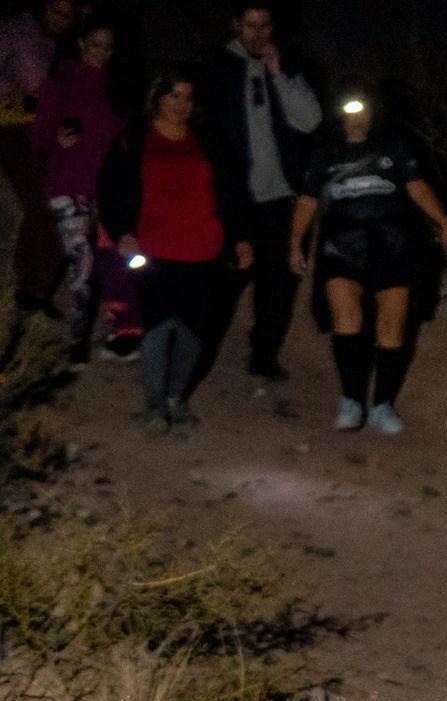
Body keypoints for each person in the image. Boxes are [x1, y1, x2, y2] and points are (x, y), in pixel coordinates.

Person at [290, 88, 447, 435]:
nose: (357, 115)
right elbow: (307, 201)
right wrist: (295, 243)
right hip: (341, 241)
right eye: (350, 108)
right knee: (347, 317)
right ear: (339, 112)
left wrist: (444, 222)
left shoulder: (393, 146)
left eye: (363, 108)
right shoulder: (324, 152)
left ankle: (382, 405)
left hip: (391, 240)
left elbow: (417, 186)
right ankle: (351, 400)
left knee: (392, 324)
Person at [98, 69, 252, 435]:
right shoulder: (132, 139)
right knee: (156, 326)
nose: (182, 104)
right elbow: (112, 190)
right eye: (174, 95)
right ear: (157, 97)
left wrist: (241, 237)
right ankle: (154, 406)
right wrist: (123, 233)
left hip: (203, 249)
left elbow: (231, 192)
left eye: (188, 97)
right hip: (151, 248)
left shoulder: (209, 139)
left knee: (192, 331)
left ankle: (176, 398)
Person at [204, 3, 317, 382]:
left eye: (264, 24)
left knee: (277, 282)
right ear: (235, 24)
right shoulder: (217, 66)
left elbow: (310, 120)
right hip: (234, 196)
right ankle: (199, 350)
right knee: (228, 279)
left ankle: (263, 354)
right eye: (249, 25)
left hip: (279, 195)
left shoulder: (284, 63)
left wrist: (279, 74)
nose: (257, 33)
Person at [29, 18, 120, 364]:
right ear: (81, 43)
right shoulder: (60, 81)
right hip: (68, 186)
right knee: (81, 263)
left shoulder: (115, 85)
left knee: (110, 263)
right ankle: (76, 339)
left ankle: (120, 328)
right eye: (95, 44)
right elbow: (37, 137)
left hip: (105, 189)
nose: (102, 52)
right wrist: (57, 140)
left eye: (109, 46)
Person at [0, 0, 74, 310]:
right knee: (40, 199)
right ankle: (29, 286)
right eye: (55, 10)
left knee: (58, 201)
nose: (61, 19)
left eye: (67, 15)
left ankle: (39, 289)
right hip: (9, 123)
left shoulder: (63, 45)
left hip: (44, 127)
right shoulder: (16, 29)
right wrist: (10, 89)